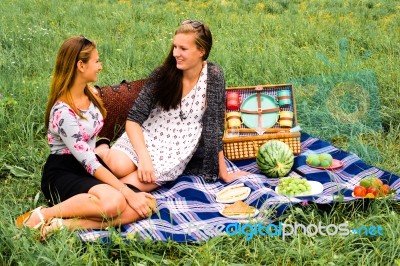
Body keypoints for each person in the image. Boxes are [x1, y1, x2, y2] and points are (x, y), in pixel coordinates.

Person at [15, 36, 156, 240]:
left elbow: (93, 145)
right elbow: (88, 161)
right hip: (64, 170)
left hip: (89, 165)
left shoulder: (90, 94)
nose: (100, 66)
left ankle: (62, 225)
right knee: (116, 202)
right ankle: (43, 215)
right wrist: (126, 191)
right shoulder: (63, 111)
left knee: (147, 204)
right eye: (96, 61)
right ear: (81, 65)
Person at [97, 20, 249, 192]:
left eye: (183, 49)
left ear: (201, 51)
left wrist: (224, 173)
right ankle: (102, 149)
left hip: (175, 151)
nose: (176, 53)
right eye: (175, 47)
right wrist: (144, 158)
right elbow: (133, 120)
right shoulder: (163, 74)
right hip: (147, 137)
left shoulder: (213, 75)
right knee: (117, 167)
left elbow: (214, 127)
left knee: (122, 188)